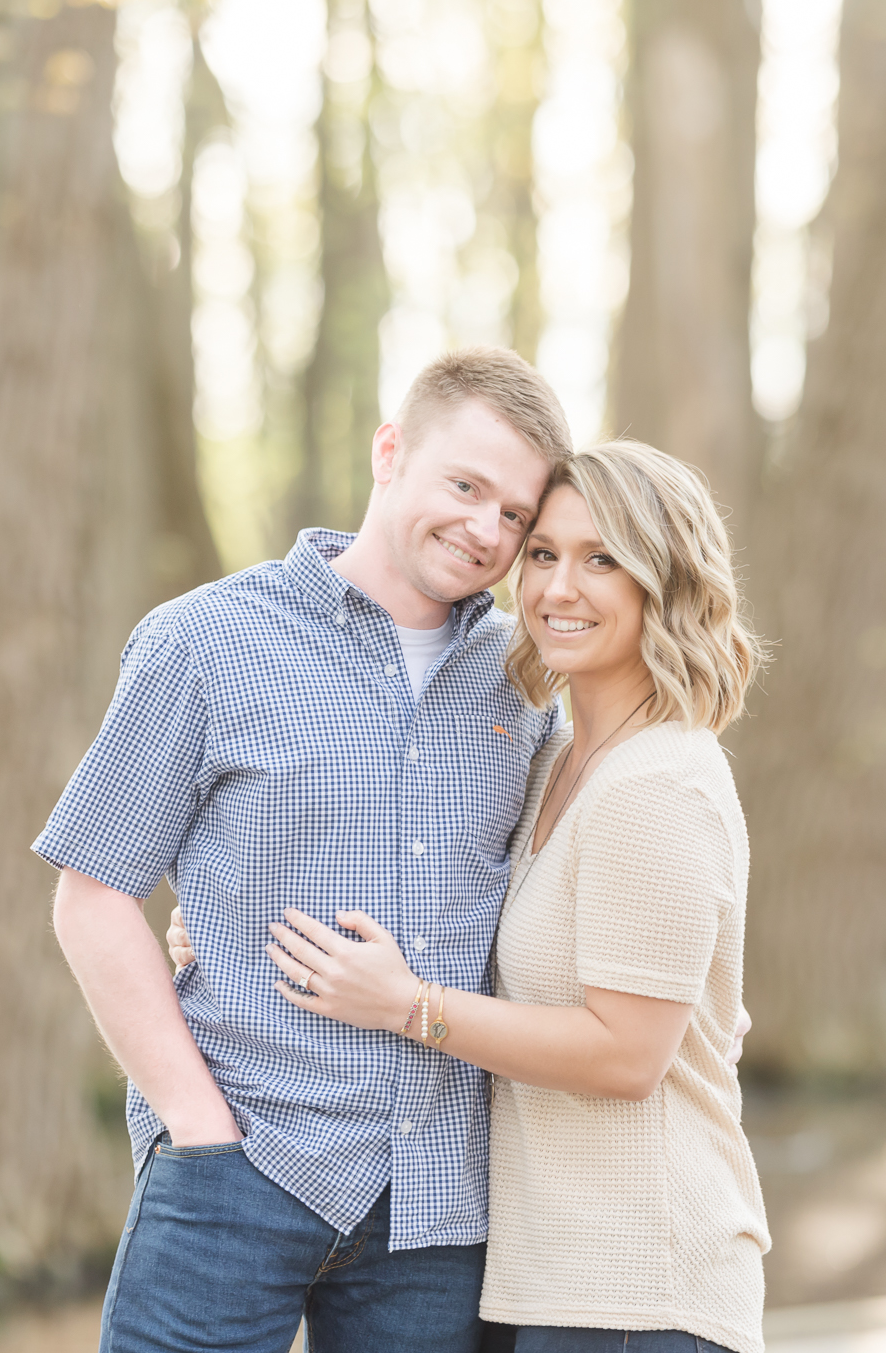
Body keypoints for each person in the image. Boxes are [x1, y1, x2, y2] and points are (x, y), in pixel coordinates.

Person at [35, 346, 573, 1353]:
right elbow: (92, 893)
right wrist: (196, 1128)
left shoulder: (529, 682)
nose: (484, 530)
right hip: (236, 1168)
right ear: (388, 451)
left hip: (438, 1208)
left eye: (514, 515)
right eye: (465, 486)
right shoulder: (203, 643)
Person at [190, 441, 771, 1353]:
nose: (558, 589)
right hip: (546, 1281)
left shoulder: (660, 779)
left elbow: (628, 1056)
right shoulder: (554, 760)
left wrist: (409, 1006)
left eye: (602, 559)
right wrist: (224, 921)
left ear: (666, 582)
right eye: (543, 554)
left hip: (641, 1294)